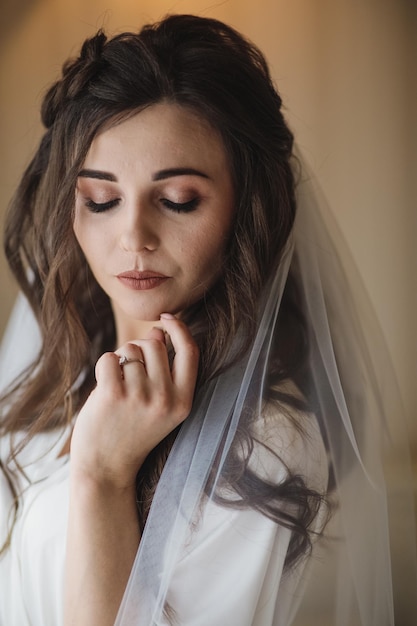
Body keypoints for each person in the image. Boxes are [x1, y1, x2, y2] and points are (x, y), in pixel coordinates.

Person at [0, 13, 415, 626]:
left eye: (178, 201)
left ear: (245, 213)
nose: (133, 235)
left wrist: (104, 479)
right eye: (101, 199)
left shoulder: (263, 448)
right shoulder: (42, 392)